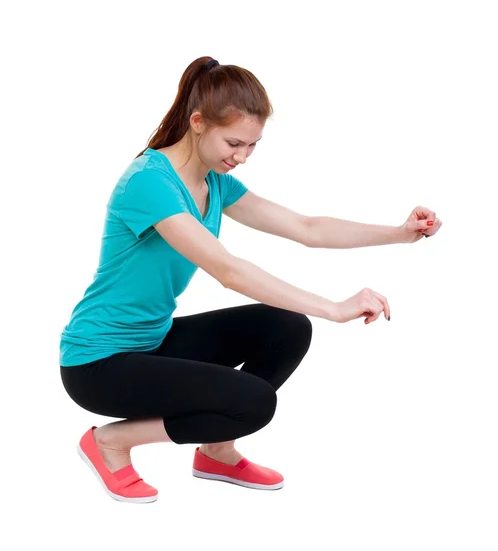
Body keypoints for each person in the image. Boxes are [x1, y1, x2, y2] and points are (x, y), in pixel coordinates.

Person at [59, 56, 442, 504]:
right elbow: (228, 270)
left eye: (252, 146)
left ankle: (216, 451)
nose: (241, 157)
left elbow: (307, 228)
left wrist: (399, 234)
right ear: (198, 122)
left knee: (286, 326)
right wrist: (335, 308)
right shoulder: (149, 182)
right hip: (97, 364)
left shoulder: (214, 181)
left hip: (152, 342)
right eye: (234, 142)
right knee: (254, 404)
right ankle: (111, 442)